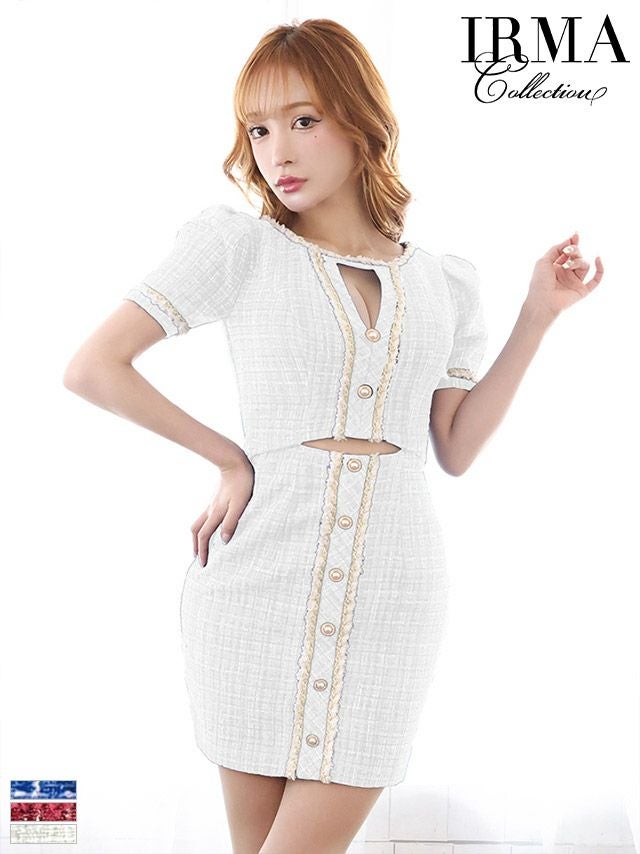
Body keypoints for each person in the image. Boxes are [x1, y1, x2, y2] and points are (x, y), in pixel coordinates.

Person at [62, 17, 604, 854]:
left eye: (304, 120)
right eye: (258, 129)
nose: (277, 150)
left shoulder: (444, 283)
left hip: (393, 592)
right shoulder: (239, 248)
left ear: (360, 121)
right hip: (253, 584)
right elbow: (95, 367)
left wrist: (538, 314)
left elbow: (455, 447)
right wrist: (230, 458)